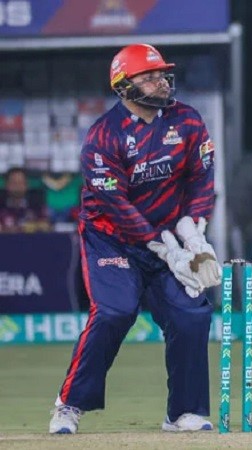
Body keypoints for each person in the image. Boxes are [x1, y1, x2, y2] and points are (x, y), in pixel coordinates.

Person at [48, 43, 222, 434]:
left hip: (169, 236)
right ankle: (69, 404)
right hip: (111, 239)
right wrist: (165, 248)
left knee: (191, 313)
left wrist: (194, 235)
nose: (161, 81)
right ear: (124, 86)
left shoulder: (187, 120)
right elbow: (116, 205)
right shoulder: (104, 136)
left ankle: (183, 412)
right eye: (149, 76)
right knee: (115, 311)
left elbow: (201, 178)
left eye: (162, 74)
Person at [0, 167, 51, 233]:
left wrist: (36, 226)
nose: (17, 186)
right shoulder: (1, 206)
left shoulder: (37, 205)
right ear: (6, 185)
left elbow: (46, 225)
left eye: (20, 183)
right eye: (14, 183)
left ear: (27, 185)